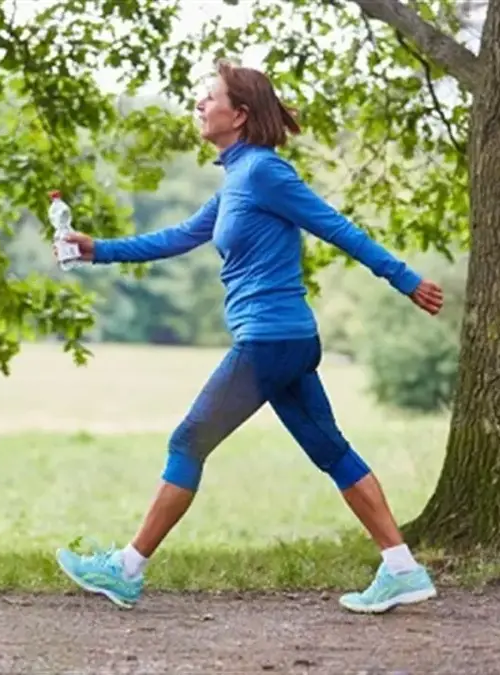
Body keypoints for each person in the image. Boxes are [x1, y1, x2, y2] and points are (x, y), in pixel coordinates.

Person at [53, 59, 444, 615]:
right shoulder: (237, 180)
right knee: (330, 450)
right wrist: (97, 250)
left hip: (268, 341)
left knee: (188, 442)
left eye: (209, 97)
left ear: (238, 115)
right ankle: (402, 569)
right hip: (284, 342)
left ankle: (126, 569)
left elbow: (336, 226)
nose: (199, 104)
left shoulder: (265, 172)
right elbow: (179, 237)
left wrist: (405, 280)